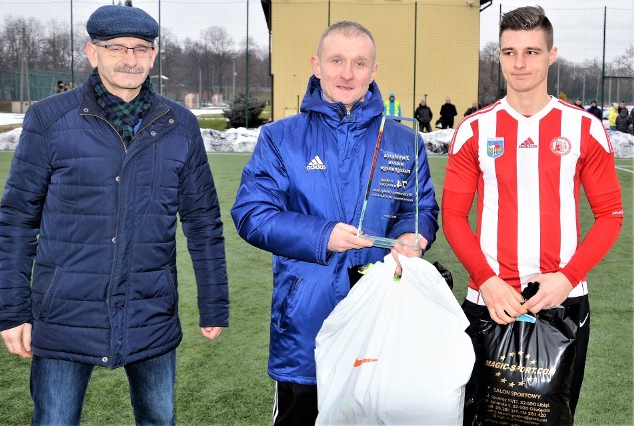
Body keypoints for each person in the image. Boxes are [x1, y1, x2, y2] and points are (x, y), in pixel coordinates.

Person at [0, 5, 229, 425]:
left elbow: (203, 220)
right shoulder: (49, 119)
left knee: (158, 418)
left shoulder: (179, 124)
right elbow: (17, 220)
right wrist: (12, 311)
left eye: (141, 48)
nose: (130, 59)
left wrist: (214, 302)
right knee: (54, 419)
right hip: (63, 312)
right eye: (116, 47)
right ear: (91, 52)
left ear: (154, 56)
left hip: (150, 311)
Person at [231, 21, 439, 425]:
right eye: (337, 61)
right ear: (317, 65)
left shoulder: (403, 141)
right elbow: (251, 214)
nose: (347, 73)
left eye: (359, 63)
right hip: (306, 318)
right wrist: (322, 235)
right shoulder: (281, 137)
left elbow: (420, 209)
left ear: (373, 70)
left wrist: (415, 234)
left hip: (382, 314)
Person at [441, 5, 622, 424]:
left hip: (562, 301)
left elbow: (610, 214)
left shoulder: (583, 128)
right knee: (481, 417)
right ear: (499, 55)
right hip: (488, 300)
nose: (519, 63)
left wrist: (567, 277)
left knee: (553, 418)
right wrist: (487, 281)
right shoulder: (474, 128)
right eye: (508, 52)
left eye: (531, 52)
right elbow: (453, 214)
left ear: (551, 54)